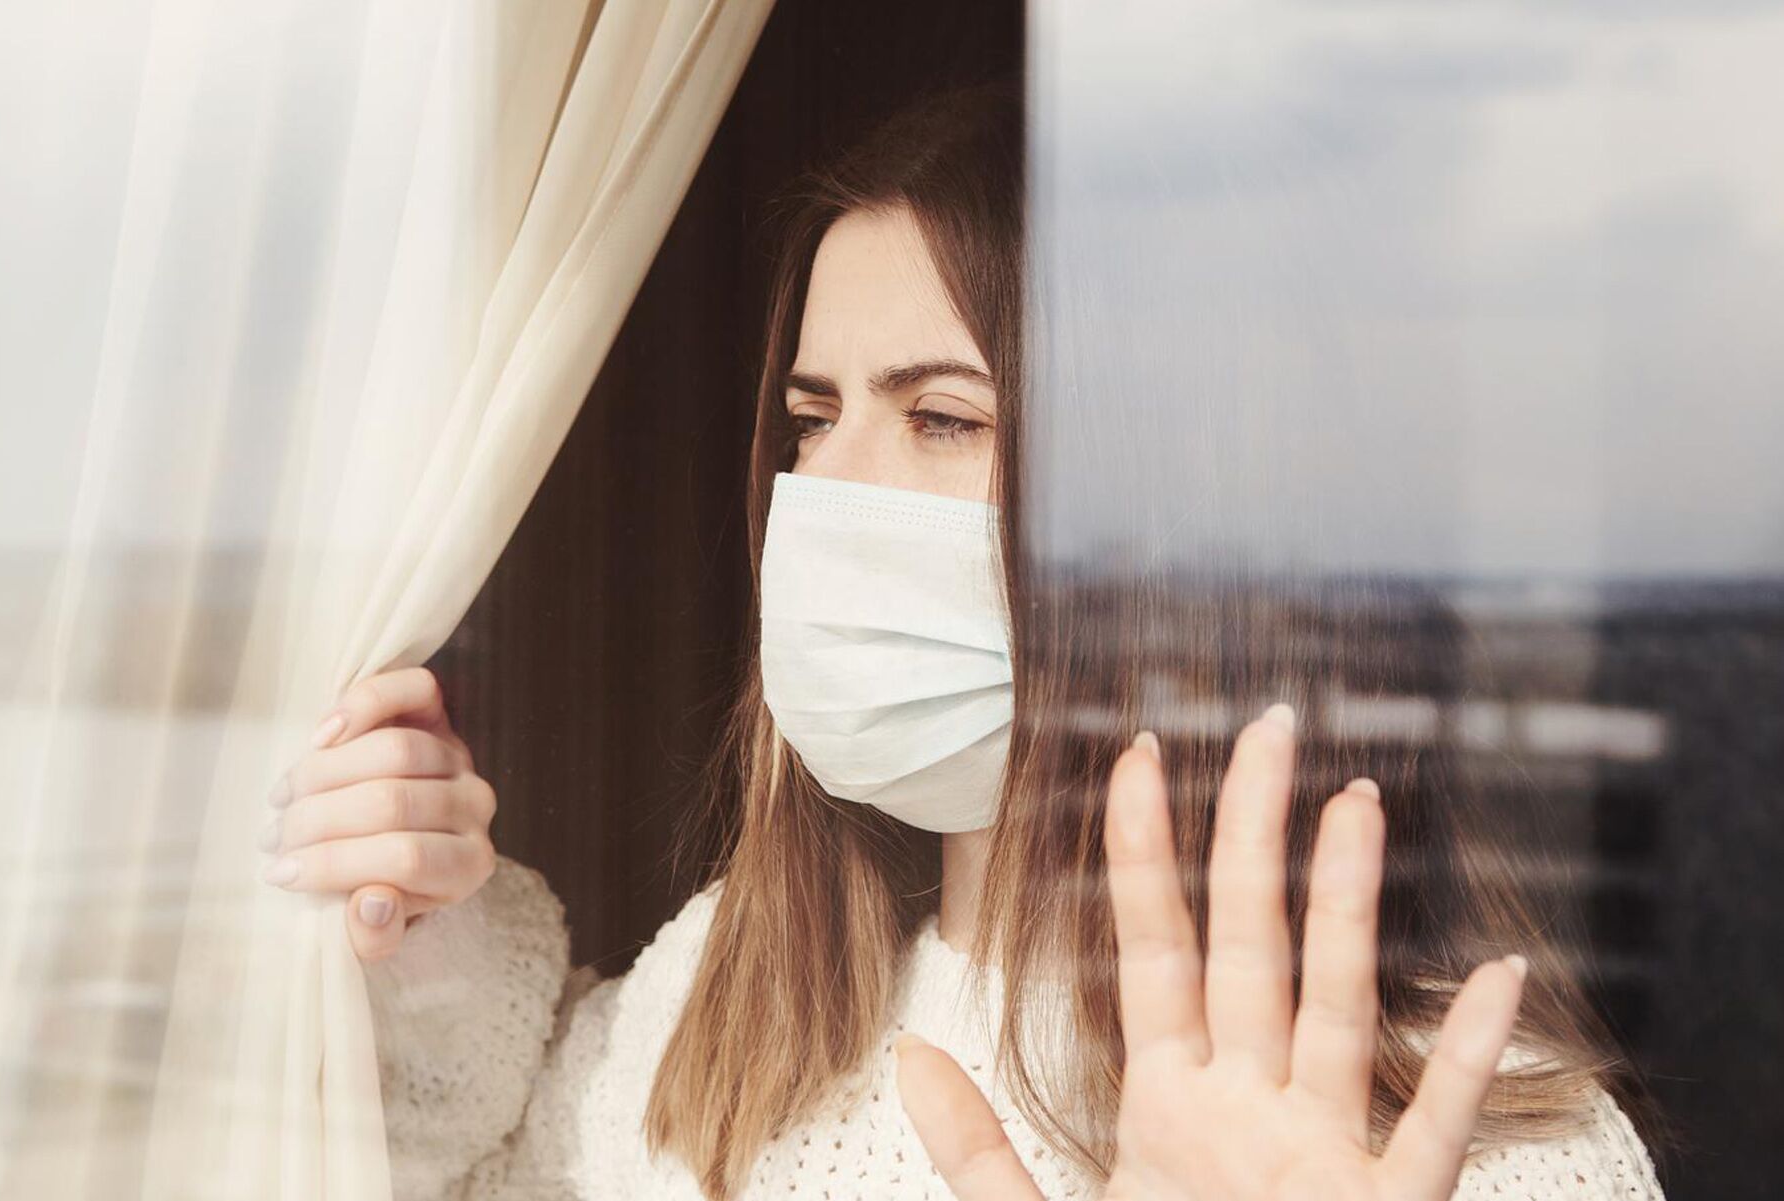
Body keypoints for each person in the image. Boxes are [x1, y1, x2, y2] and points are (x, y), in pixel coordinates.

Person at [257, 85, 1665, 1200]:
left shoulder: (1486, 1150)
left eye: (943, 418)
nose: (826, 492)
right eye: (812, 419)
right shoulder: (723, 1011)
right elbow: (473, 1168)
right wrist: (421, 931)